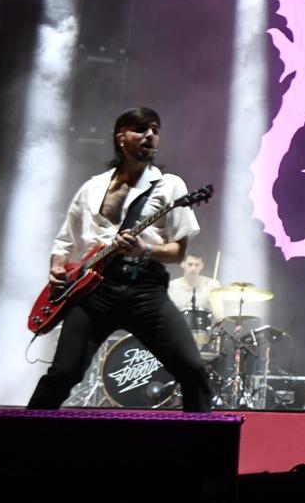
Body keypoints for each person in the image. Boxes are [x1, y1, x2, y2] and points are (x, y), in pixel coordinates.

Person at [28, 107, 212, 412]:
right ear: (121, 137)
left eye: (155, 129)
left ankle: (205, 452)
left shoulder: (170, 186)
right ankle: (14, 444)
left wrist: (144, 249)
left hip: (144, 289)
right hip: (92, 292)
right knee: (63, 373)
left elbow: (179, 252)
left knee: (192, 370)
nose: (150, 135)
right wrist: (57, 267)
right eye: (141, 129)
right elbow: (64, 241)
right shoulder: (93, 187)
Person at [168, 253, 226, 321]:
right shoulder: (171, 286)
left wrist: (214, 296)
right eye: (190, 264)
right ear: (182, 264)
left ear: (201, 266)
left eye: (197, 265)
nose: (193, 268)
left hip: (202, 330)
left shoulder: (210, 285)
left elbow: (220, 317)